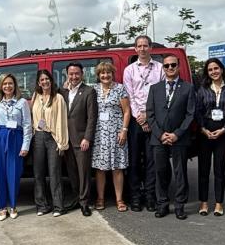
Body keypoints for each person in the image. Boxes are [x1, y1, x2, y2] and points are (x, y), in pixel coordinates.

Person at [146, 53, 195, 220]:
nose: (170, 68)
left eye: (173, 65)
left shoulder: (188, 88)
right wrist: (160, 135)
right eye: (166, 66)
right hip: (159, 138)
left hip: (179, 138)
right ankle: (162, 204)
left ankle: (180, 206)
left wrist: (177, 134)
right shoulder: (155, 88)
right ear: (163, 68)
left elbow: (190, 115)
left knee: (180, 172)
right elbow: (150, 114)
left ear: (178, 66)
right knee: (160, 172)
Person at [123, 35, 164, 212]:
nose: (142, 49)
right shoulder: (129, 70)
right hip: (134, 120)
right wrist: (139, 116)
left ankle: (150, 197)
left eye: (145, 46)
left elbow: (162, 94)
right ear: (135, 49)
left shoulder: (160, 68)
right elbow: (129, 95)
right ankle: (135, 198)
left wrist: (148, 116)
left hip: (154, 119)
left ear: (151, 48)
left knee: (151, 161)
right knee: (133, 161)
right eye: (139, 46)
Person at [0, 73, 32, 221]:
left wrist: (25, 146)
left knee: (14, 174)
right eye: (4, 84)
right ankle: (2, 207)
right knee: (1, 174)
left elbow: (27, 125)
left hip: (15, 138)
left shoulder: (22, 102)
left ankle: (13, 206)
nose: (7, 86)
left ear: (15, 85)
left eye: (10, 83)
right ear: (1, 87)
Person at [196, 58, 225, 217]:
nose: (214, 72)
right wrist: (203, 129)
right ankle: (203, 202)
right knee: (203, 170)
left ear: (222, 69)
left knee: (220, 169)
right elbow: (197, 111)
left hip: (222, 133)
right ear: (207, 72)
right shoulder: (202, 89)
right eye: (210, 70)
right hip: (205, 133)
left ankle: (219, 203)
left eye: (216, 68)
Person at [92, 62, 130, 212]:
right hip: (99, 134)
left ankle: (119, 199)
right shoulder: (94, 90)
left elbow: (127, 111)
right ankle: (100, 198)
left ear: (112, 73)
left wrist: (124, 130)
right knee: (100, 169)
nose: (105, 75)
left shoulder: (120, 88)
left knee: (117, 168)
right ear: (98, 75)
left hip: (116, 133)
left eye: (108, 73)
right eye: (102, 73)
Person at [61, 62, 98, 216]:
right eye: (71, 74)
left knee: (84, 173)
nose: (74, 77)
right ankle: (77, 197)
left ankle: (84, 202)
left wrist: (87, 138)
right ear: (67, 75)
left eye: (77, 73)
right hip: (66, 140)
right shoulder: (62, 92)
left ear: (82, 74)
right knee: (72, 172)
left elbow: (92, 117)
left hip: (81, 139)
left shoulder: (89, 91)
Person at [31, 70, 68, 217]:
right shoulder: (36, 96)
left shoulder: (58, 98)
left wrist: (62, 143)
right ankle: (42, 205)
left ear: (51, 81)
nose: (44, 82)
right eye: (42, 80)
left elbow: (62, 120)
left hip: (53, 137)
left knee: (54, 173)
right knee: (38, 173)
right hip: (38, 137)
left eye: (47, 79)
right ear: (38, 83)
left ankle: (58, 206)